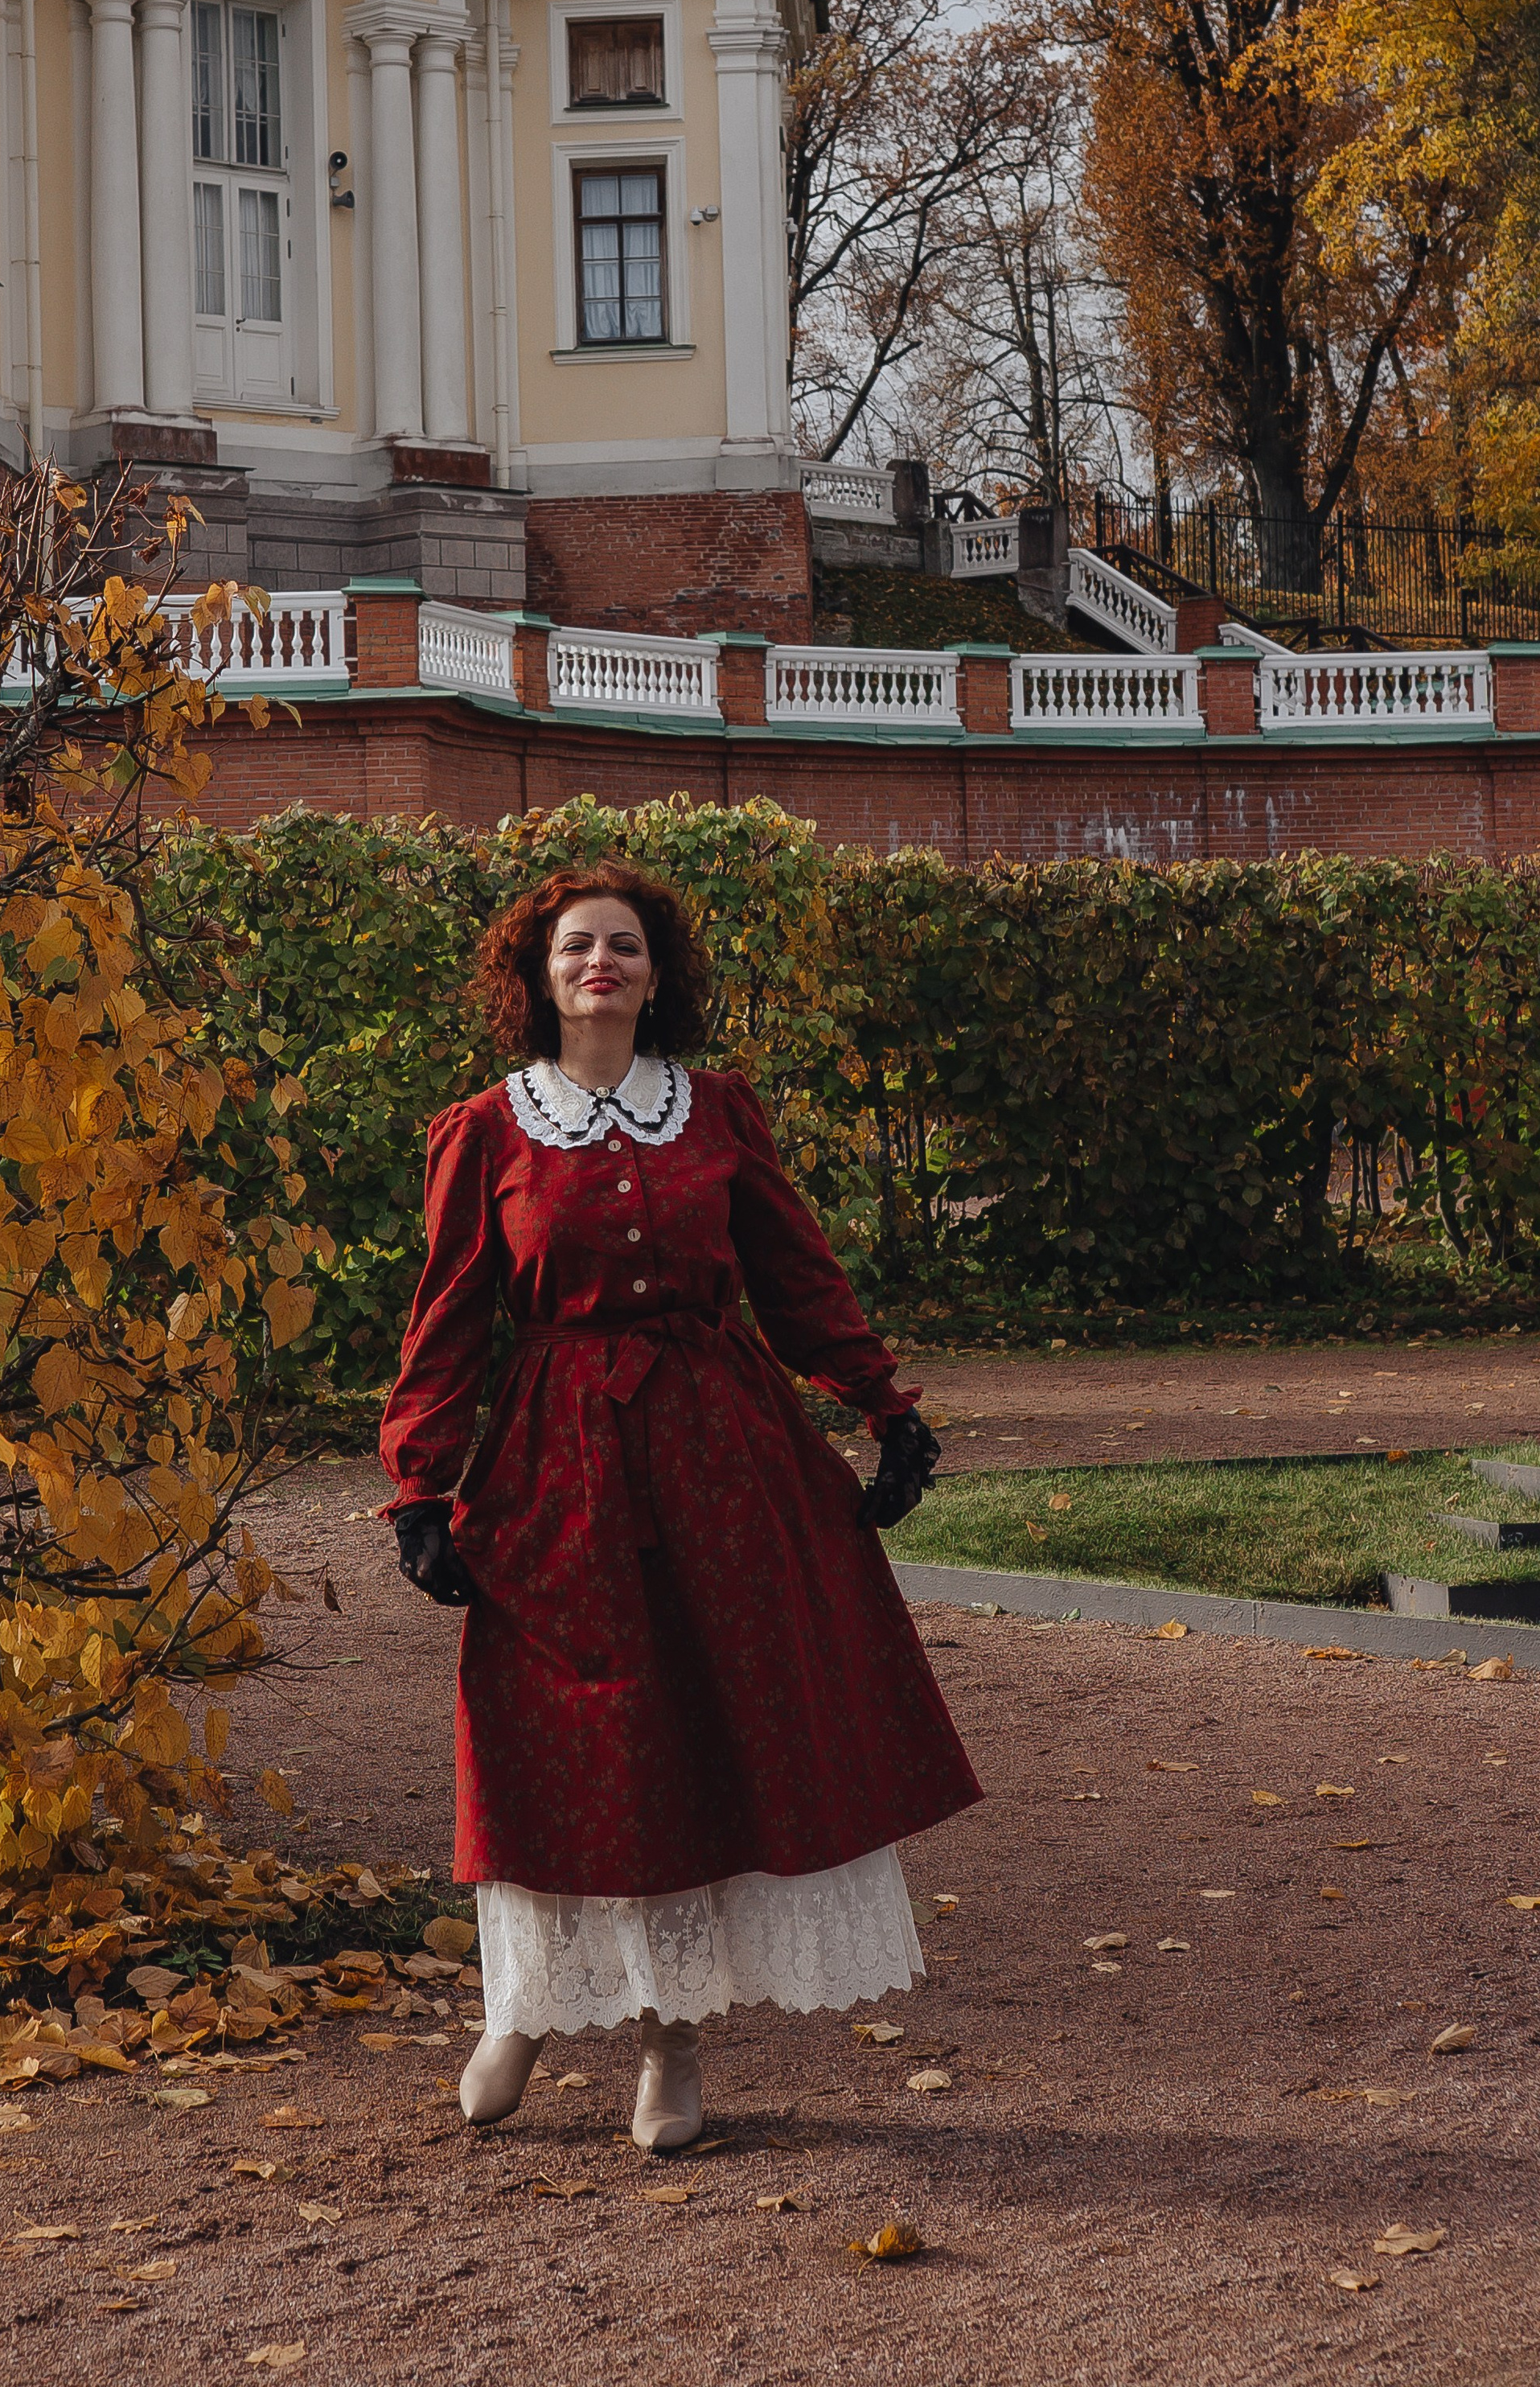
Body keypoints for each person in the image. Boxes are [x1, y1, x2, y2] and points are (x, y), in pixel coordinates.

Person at [377, 860, 982, 2151]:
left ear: (659, 978)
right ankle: (525, 2010)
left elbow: (795, 1275)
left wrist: (885, 1407)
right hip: (557, 1465)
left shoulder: (714, 1113)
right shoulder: (486, 1131)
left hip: (722, 1454)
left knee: (705, 1733)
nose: (602, 963)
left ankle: (674, 2039)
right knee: (557, 1740)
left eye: (627, 948)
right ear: (540, 978)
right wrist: (420, 1485)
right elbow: (449, 1321)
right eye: (578, 947)